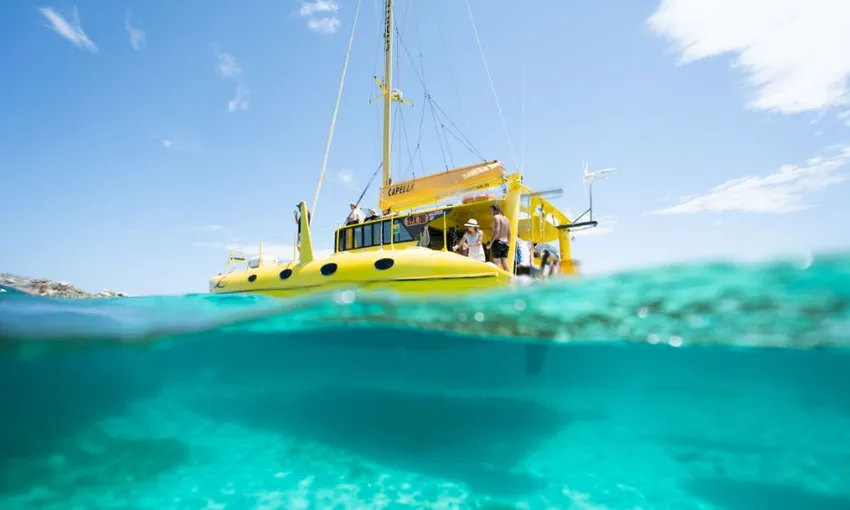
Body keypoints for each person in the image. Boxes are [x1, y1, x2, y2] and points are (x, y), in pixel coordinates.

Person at [488, 203, 511, 271]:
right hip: (505, 243)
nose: (491, 212)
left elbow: (497, 230)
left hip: (497, 242)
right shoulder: (506, 219)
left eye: (491, 210)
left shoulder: (496, 217)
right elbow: (509, 234)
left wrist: (491, 242)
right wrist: (507, 243)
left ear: (496, 210)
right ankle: (509, 280)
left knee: (497, 264)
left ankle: (497, 281)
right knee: (505, 263)